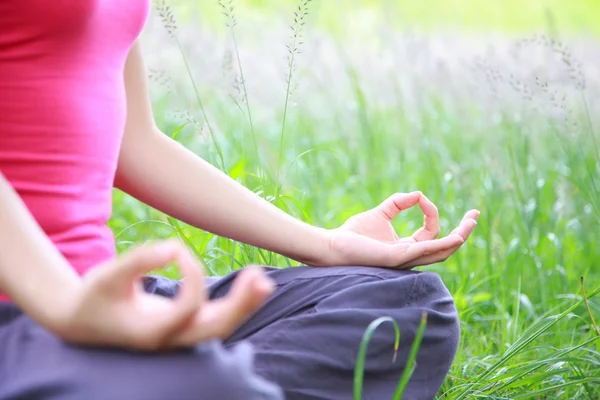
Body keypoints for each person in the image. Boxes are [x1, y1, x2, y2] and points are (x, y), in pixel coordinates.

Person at [0, 1, 479, 399]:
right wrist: (62, 304)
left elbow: (133, 143)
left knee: (408, 306)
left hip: (101, 297)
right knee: (214, 384)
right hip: (23, 316)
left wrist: (326, 246)